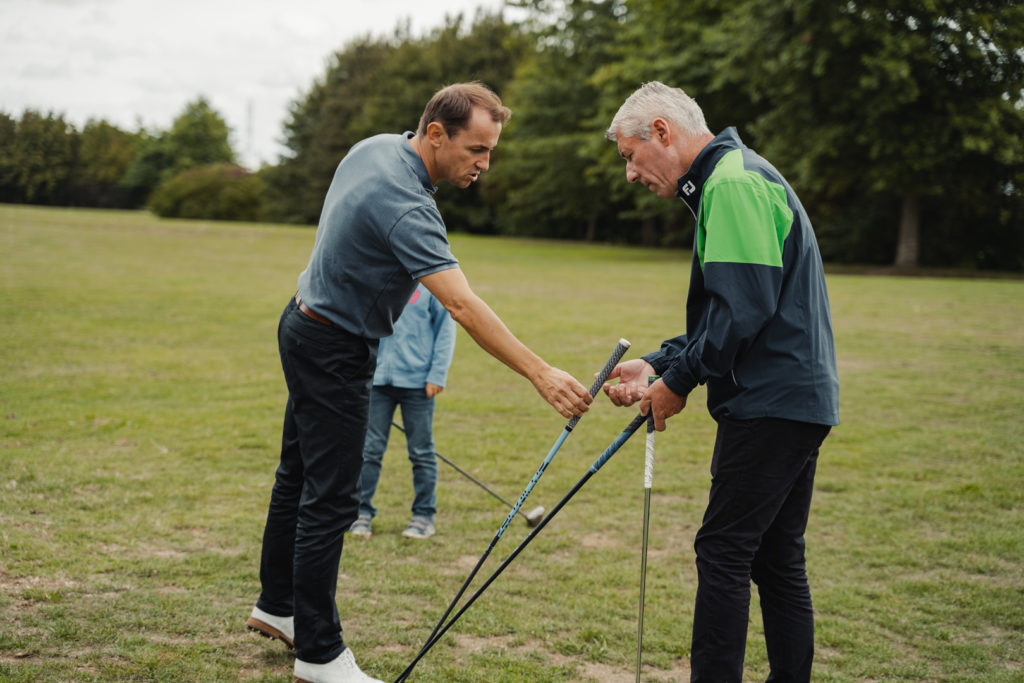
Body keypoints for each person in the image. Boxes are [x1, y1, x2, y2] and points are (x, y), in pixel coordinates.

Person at [245, 82, 592, 683]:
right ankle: (319, 655)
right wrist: (540, 371)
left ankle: (278, 607)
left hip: (301, 320)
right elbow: (462, 305)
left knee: (297, 476)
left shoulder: (375, 147)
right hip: (335, 347)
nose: (485, 163)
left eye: (491, 150)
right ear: (437, 134)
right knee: (331, 499)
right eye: (477, 149)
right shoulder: (409, 205)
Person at [602, 82, 839, 683]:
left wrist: (676, 382)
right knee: (776, 558)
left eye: (629, 156)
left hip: (771, 403)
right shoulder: (731, 177)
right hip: (793, 398)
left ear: (661, 131)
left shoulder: (730, 181)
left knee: (726, 552)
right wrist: (660, 362)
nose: (629, 174)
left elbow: (743, 312)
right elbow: (732, 311)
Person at [350, 282, 456, 540]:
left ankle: (423, 516)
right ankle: (360, 513)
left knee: (421, 452)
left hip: (419, 384)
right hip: (377, 381)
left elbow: (446, 329)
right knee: (369, 450)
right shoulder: (379, 278)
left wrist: (437, 374)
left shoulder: (431, 284)